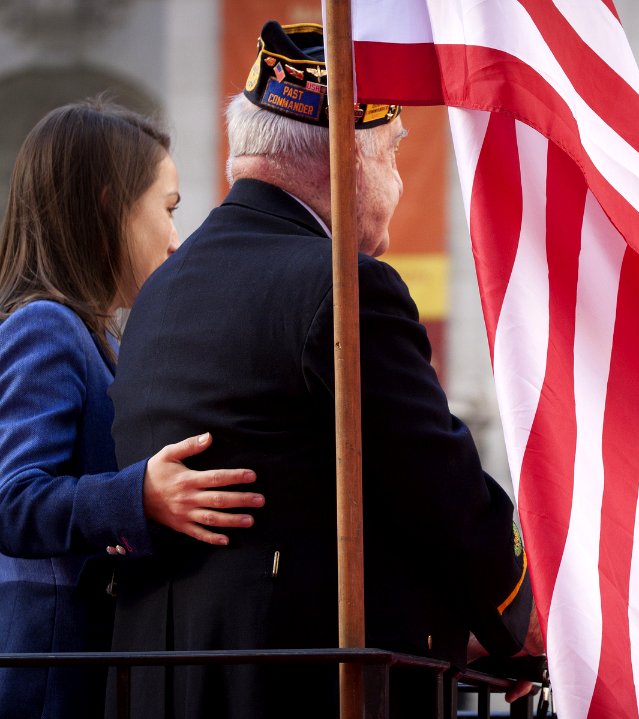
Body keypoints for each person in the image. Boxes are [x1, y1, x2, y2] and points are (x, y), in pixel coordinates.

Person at [108, 20, 542, 718]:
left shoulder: (162, 288)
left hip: (167, 683)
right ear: (350, 159)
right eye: (394, 156)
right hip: (296, 687)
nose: (398, 182)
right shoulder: (341, 285)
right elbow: (436, 483)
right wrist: (516, 615)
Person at [0, 99, 265, 719]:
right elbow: (10, 501)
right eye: (167, 209)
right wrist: (137, 495)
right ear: (107, 206)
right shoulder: (45, 326)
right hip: (47, 679)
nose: (176, 240)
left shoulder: (97, 336)